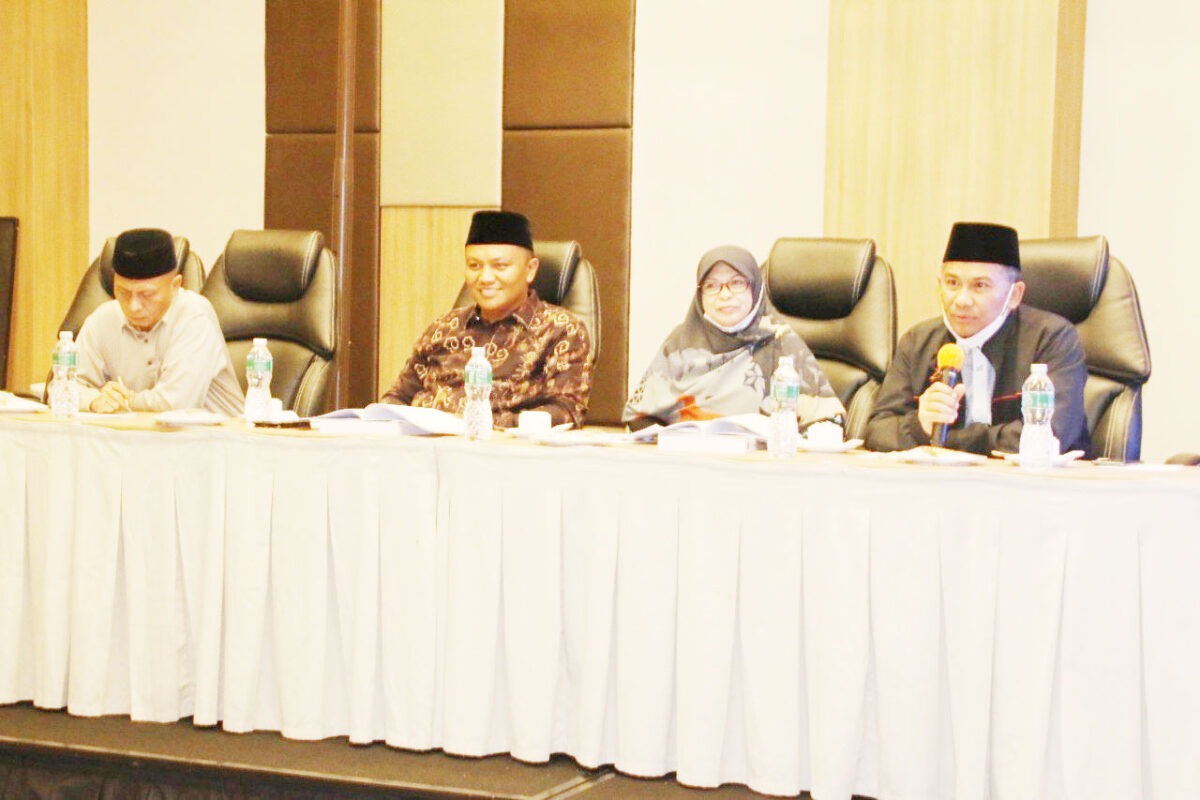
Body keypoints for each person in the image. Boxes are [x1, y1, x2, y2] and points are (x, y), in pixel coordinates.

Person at [865, 221, 1090, 455]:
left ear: (1015, 295)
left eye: (980, 286)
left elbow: (1050, 433)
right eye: (952, 283)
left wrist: (944, 441)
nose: (961, 300)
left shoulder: (1051, 338)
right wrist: (920, 424)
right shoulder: (917, 341)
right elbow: (877, 430)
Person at [381, 210, 592, 427]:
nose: (485, 278)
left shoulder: (560, 330)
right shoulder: (443, 328)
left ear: (530, 270)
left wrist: (479, 424)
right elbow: (398, 396)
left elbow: (567, 410)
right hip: (424, 441)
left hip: (502, 444)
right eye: (474, 266)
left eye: (500, 266)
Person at [622, 245, 844, 427]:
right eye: (712, 286)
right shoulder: (680, 341)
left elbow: (827, 420)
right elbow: (639, 418)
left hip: (759, 463)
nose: (725, 295)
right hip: (686, 460)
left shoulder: (780, 341)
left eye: (737, 283)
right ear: (699, 295)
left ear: (755, 289)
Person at [75, 228, 244, 416]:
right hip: (138, 433)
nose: (133, 306)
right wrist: (94, 400)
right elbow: (63, 387)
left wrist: (122, 401)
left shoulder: (194, 314)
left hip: (215, 433)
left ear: (175, 285)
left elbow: (176, 404)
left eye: (146, 294)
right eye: (123, 293)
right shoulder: (102, 319)